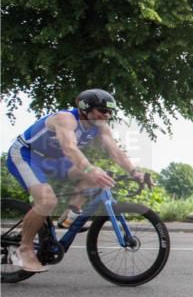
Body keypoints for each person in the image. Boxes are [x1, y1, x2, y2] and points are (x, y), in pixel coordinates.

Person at [5, 89, 147, 273]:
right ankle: (24, 249)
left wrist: (135, 172)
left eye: (109, 112)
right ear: (85, 108)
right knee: (47, 201)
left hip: (53, 160)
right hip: (27, 155)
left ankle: (68, 216)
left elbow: (115, 152)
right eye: (102, 111)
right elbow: (70, 148)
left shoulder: (100, 126)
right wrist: (89, 169)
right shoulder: (66, 119)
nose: (106, 115)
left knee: (98, 179)